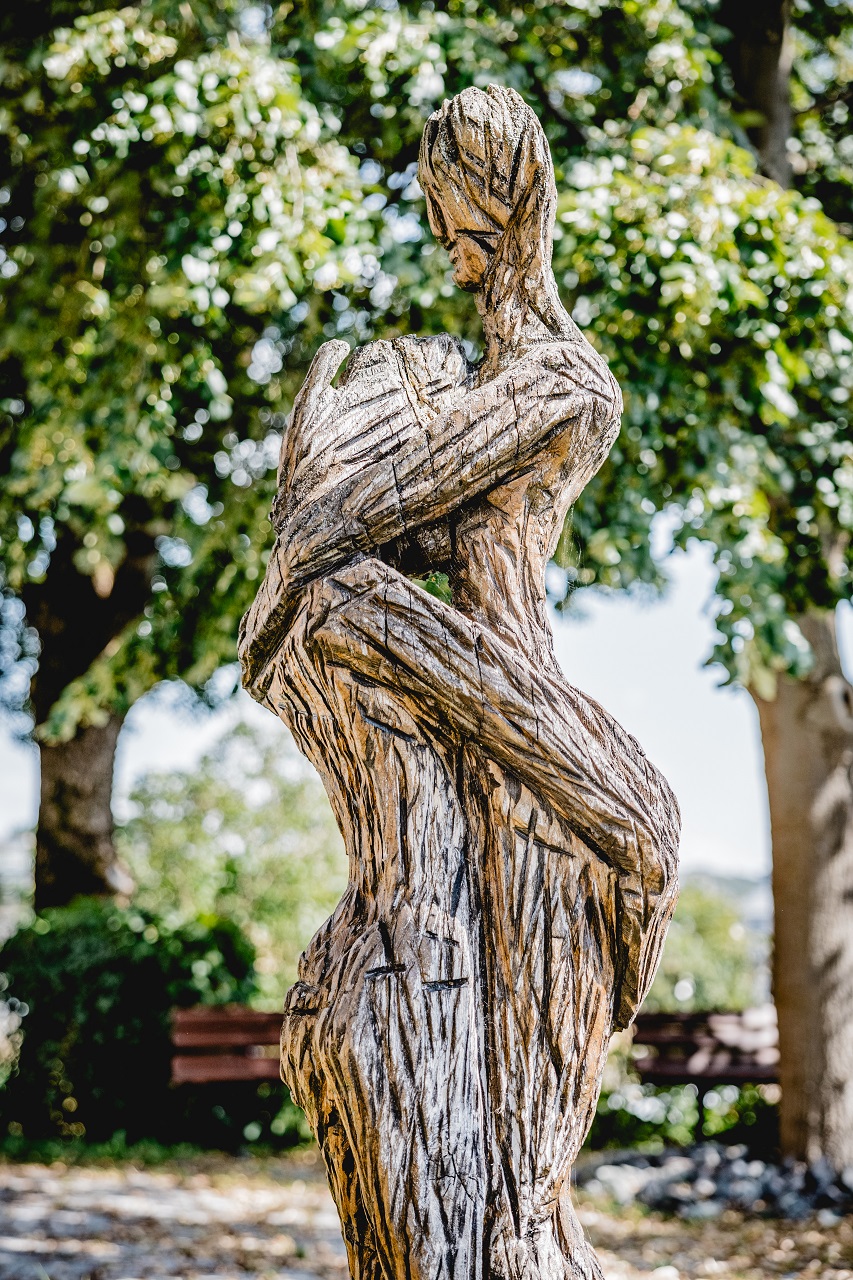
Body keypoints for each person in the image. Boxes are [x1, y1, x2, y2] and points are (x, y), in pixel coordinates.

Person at [240, 85, 680, 1280]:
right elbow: (323, 539)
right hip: (479, 720)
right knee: (454, 1086)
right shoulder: (455, 370)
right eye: (440, 226)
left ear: (519, 210)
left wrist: (323, 539)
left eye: (468, 227)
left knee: (638, 843)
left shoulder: (556, 379)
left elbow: (342, 517)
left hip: (516, 692)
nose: (452, 256)